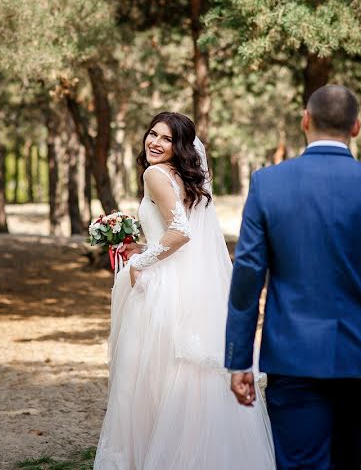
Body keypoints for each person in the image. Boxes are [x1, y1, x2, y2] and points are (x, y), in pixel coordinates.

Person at [225, 85, 361, 470]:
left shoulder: (268, 184)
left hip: (293, 356)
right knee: (355, 463)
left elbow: (247, 277)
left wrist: (239, 360)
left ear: (305, 120)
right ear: (356, 127)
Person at [94, 112, 275, 470]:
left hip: (161, 287)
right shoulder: (183, 177)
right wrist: (141, 247)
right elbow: (177, 230)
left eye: (165, 139)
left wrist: (141, 263)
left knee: (149, 379)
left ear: (179, 147)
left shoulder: (155, 174)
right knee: (183, 375)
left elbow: (180, 232)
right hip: (185, 281)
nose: (155, 143)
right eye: (152, 134)